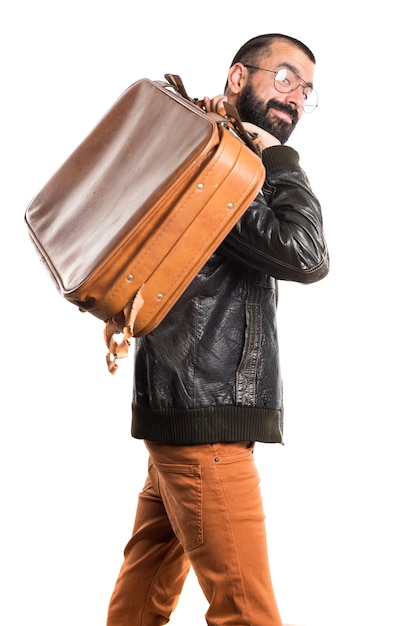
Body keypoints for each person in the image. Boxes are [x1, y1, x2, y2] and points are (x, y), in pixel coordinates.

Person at [106, 33, 329, 626]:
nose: (296, 98)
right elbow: (305, 254)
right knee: (248, 612)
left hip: (181, 408)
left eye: (307, 91)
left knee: (147, 584)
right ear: (237, 78)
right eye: (284, 78)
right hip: (205, 422)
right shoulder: (215, 162)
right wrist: (279, 157)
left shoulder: (214, 147)